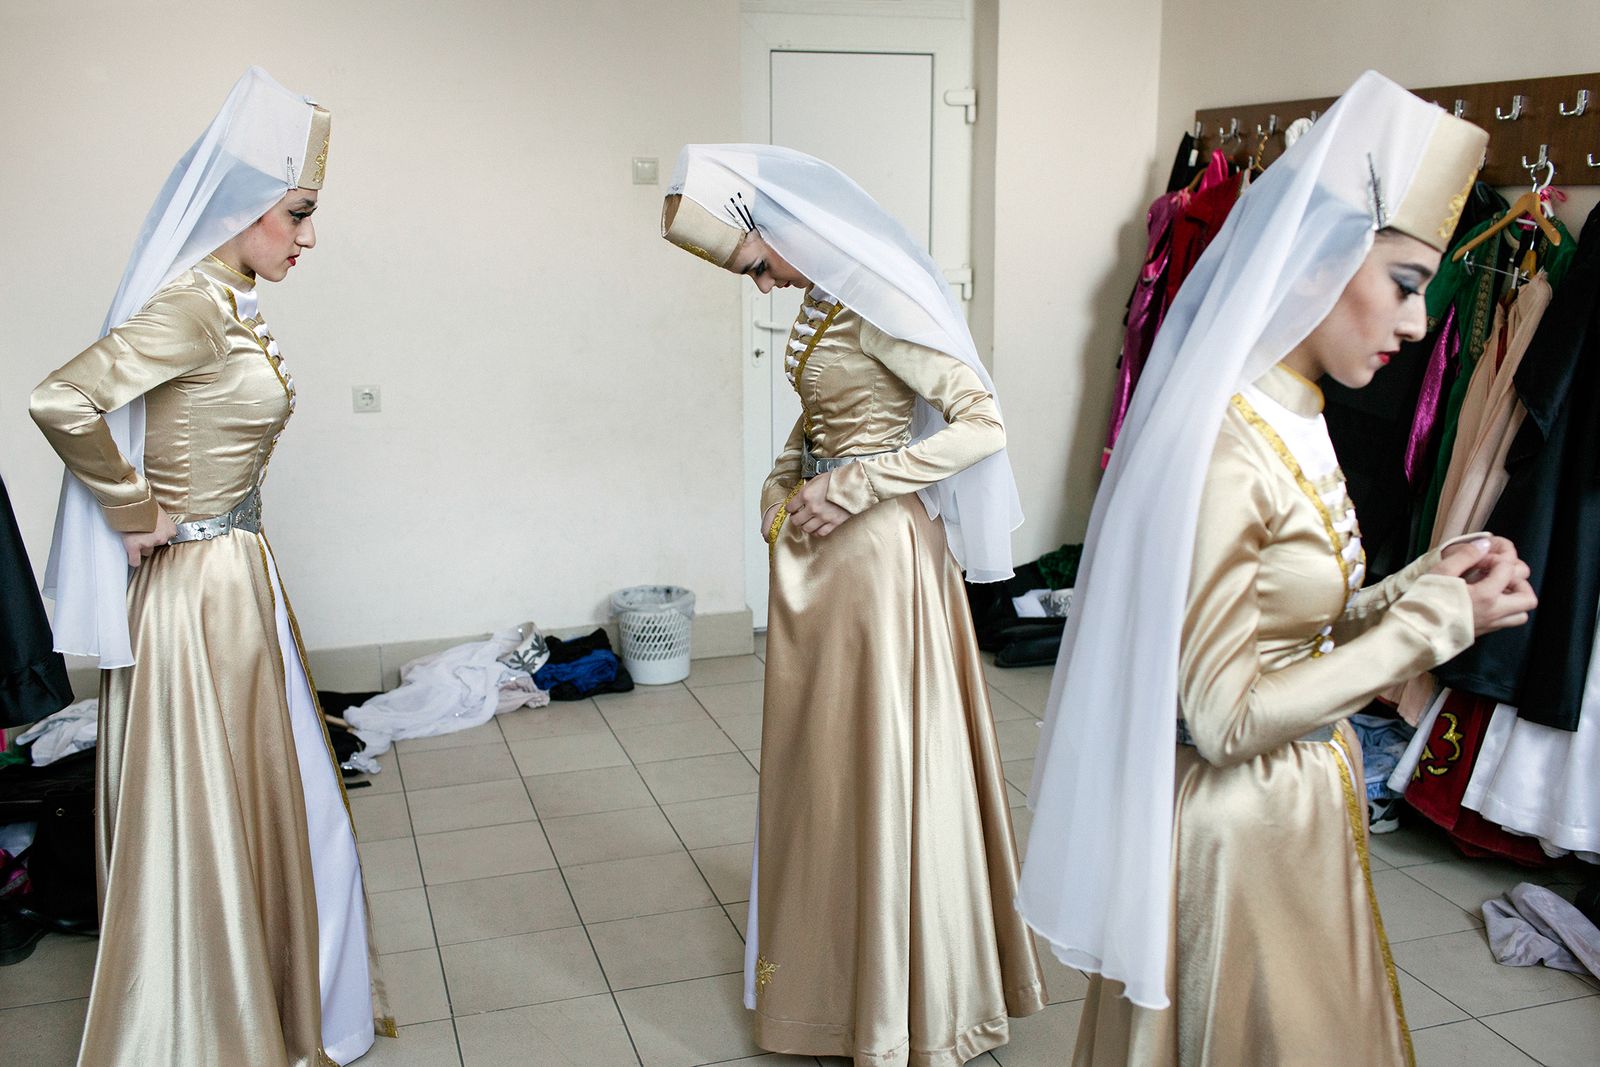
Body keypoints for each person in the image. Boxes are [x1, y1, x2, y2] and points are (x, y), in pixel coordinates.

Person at [1017, 72, 1536, 1065]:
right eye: (1406, 283)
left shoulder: (1294, 409)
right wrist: (1428, 625)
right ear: (1318, 259)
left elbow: (1293, 625)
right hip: (1237, 826)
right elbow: (1221, 716)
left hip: (1296, 801)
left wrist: (1429, 580)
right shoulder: (1228, 448)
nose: (1420, 325)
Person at [29, 68, 389, 1066]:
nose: (307, 237)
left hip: (238, 578)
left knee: (276, 794)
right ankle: (204, 1020)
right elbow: (64, 400)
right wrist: (133, 505)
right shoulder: (193, 306)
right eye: (297, 214)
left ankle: (268, 995)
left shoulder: (228, 300)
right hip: (200, 591)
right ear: (242, 209)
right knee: (216, 800)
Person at [661, 145, 1046, 1065]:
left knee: (879, 759)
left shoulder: (877, 306)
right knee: (830, 763)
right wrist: (783, 482)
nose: (760, 289)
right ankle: (839, 967)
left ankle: (901, 988)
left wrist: (862, 485)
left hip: (877, 562)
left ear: (783, 230)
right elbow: (822, 424)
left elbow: (981, 422)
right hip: (823, 561)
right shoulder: (826, 306)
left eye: (757, 267)